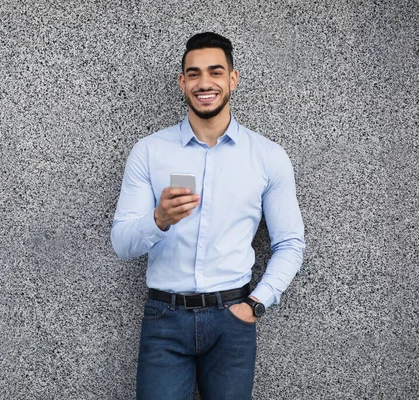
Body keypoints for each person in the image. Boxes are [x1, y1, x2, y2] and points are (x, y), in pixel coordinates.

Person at [111, 32, 305, 400]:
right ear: (183, 82)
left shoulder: (267, 156)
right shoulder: (150, 151)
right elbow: (121, 244)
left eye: (215, 72)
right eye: (194, 73)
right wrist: (159, 219)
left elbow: (290, 243)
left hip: (232, 320)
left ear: (232, 78)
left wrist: (256, 304)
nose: (205, 83)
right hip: (164, 319)